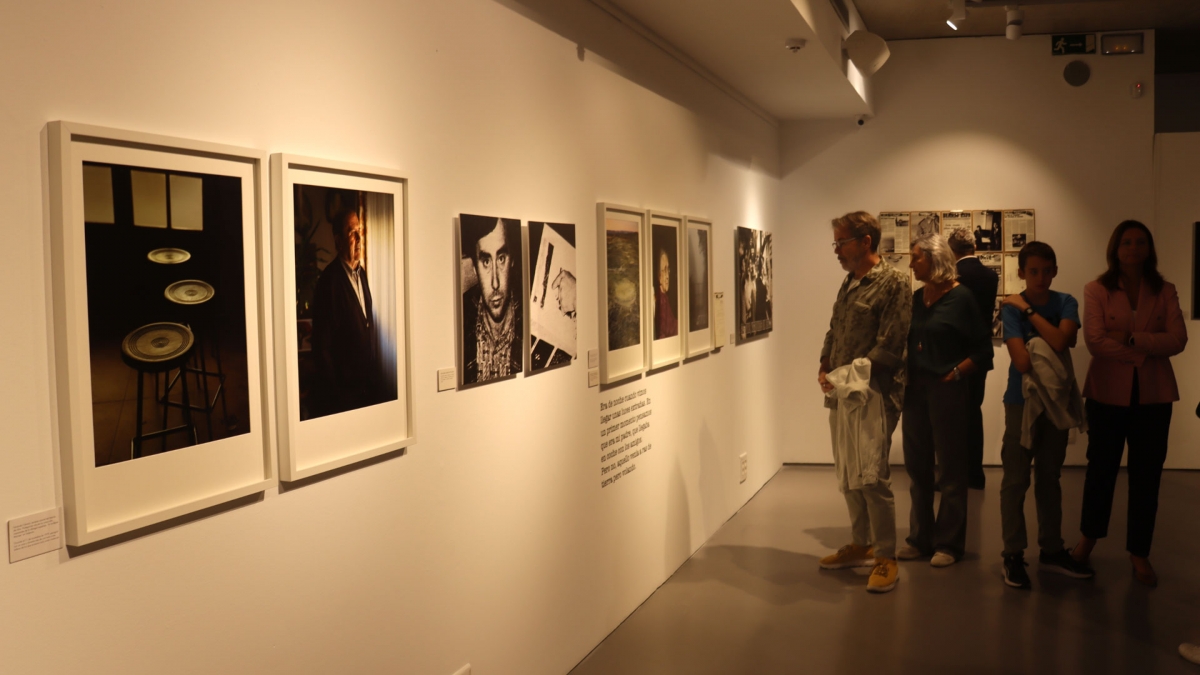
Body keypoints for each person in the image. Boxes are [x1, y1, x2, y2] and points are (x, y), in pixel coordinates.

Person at [1072, 220, 1187, 587]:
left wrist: (1132, 338)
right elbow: (1094, 341)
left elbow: (1179, 340)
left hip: (1154, 396)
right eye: (1126, 242)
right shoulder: (1097, 289)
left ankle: (1139, 552)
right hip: (1107, 394)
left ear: (1149, 248)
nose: (1133, 249)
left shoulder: (1165, 290)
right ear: (1115, 249)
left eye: (1140, 242)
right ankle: (1088, 539)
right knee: (1100, 470)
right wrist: (1147, 348)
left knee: (1147, 476)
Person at [817, 212, 911, 593]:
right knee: (849, 474)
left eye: (841, 243)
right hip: (842, 392)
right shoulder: (850, 281)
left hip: (874, 394)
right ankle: (862, 543)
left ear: (865, 242)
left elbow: (891, 343)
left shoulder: (894, 282)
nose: (837, 251)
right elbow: (835, 325)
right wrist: (825, 363)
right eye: (836, 244)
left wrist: (849, 376)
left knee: (871, 475)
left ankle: (887, 555)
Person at [996, 241, 1094, 589]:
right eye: (1032, 271)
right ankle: (1012, 553)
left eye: (1046, 270)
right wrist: (1035, 324)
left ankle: (1051, 550)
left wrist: (1026, 311)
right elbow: (1021, 362)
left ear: (1054, 270)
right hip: (1020, 402)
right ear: (1021, 272)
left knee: (1050, 478)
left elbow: (1064, 340)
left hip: (1055, 400)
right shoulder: (1009, 308)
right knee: (1015, 479)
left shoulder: (1063, 302)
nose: (1040, 277)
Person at [898, 233, 993, 568]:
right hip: (915, 392)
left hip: (947, 391)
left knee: (951, 469)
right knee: (918, 467)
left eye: (915, 257)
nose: (910, 263)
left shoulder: (962, 298)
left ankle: (949, 544)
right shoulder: (914, 299)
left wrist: (955, 374)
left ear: (934, 259)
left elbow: (983, 351)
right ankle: (919, 538)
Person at [310, 208, 385, 418]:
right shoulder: (329, 282)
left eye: (360, 230)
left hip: (365, 389)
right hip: (344, 397)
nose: (359, 238)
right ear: (338, 240)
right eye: (352, 233)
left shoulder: (362, 275)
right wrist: (337, 394)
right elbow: (321, 347)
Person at [948, 229, 999, 490]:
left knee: (953, 416)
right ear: (974, 246)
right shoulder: (990, 276)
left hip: (956, 355)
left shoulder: (953, 276)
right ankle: (975, 473)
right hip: (980, 354)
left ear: (952, 249)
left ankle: (955, 475)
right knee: (973, 412)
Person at [461, 217, 523, 384]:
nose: (495, 283)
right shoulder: (459, 320)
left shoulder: (533, 317)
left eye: (501, 259)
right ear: (474, 267)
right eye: (486, 262)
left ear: (512, 261)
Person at [654, 248, 678, 339]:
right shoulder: (661, 301)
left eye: (668, 270)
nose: (667, 276)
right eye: (664, 270)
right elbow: (661, 335)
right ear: (658, 275)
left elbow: (673, 324)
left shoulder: (665, 298)